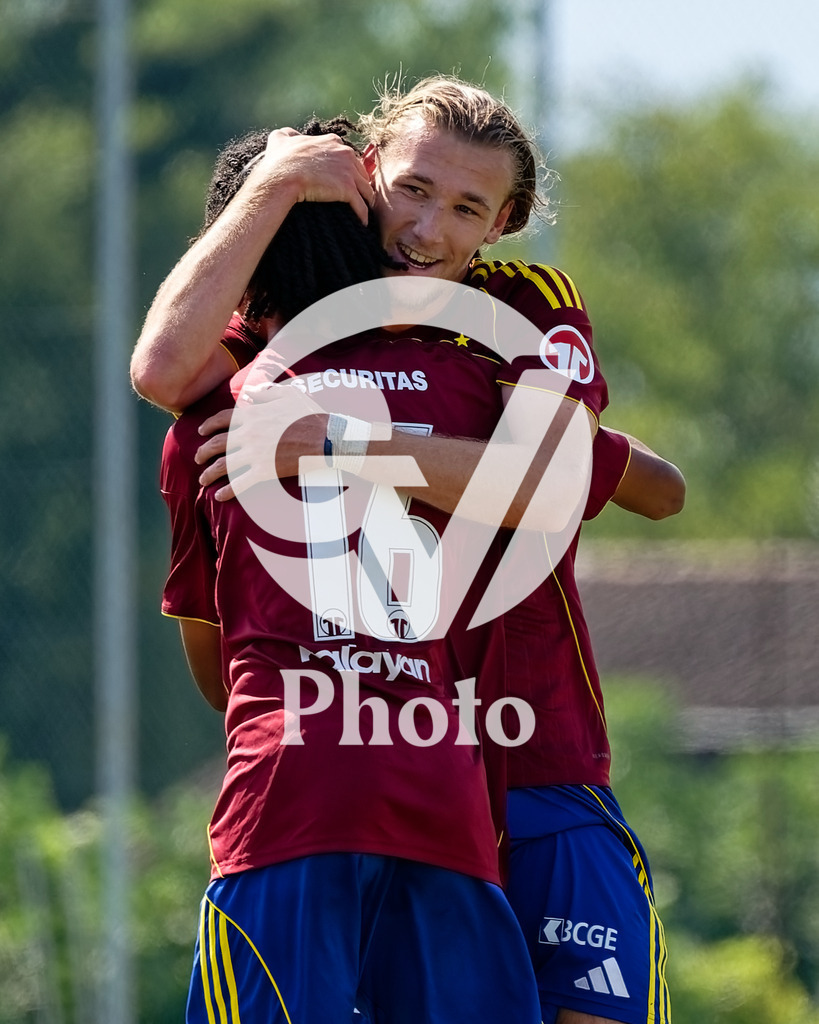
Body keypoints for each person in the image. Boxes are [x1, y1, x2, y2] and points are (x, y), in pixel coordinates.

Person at [135, 76, 682, 1024]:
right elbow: (161, 370)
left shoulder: (517, 313)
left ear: (503, 224)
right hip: (403, 766)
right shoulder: (264, 363)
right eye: (413, 188)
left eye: (466, 206)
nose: (427, 227)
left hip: (533, 754)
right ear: (364, 173)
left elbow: (621, 484)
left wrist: (342, 449)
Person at [156, 116, 550, 1022]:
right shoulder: (456, 385)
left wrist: (276, 185)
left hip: (288, 799)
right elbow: (580, 480)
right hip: (438, 794)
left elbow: (215, 667)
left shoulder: (213, 413)